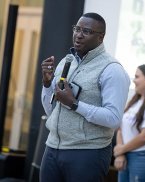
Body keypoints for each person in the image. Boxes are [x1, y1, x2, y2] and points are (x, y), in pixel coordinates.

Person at [40, 12, 130, 182]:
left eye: (86, 31)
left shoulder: (112, 70)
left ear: (100, 38)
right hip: (52, 148)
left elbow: (114, 118)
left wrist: (74, 104)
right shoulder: (66, 61)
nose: (78, 35)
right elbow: (52, 110)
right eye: (77, 29)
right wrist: (46, 85)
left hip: (88, 152)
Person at [113, 64, 145, 182]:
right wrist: (121, 153)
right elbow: (121, 129)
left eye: (137, 77)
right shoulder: (134, 101)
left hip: (143, 157)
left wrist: (121, 149)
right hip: (126, 154)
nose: (134, 80)